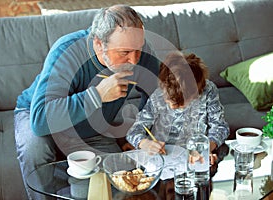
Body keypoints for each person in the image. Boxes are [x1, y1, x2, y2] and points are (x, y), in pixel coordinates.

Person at [14, 5, 160, 200]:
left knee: (122, 176)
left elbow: (155, 96)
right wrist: (97, 95)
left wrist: (139, 135)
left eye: (138, 50)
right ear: (99, 43)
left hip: (91, 127)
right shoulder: (67, 51)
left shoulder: (140, 54)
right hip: (37, 115)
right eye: (124, 52)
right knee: (35, 149)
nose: (134, 60)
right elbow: (40, 120)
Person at [126, 51, 230, 164]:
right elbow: (134, 130)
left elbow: (220, 127)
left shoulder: (208, 91)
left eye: (181, 103)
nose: (173, 107)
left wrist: (205, 148)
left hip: (194, 156)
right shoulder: (158, 95)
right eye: (169, 100)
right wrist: (144, 143)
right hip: (163, 156)